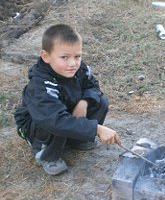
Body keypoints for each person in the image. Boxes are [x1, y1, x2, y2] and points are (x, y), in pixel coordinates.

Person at [14, 24, 121, 176]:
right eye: (64, 57)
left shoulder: (78, 68)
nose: (72, 63)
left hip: (63, 112)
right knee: (56, 123)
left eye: (77, 56)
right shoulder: (40, 85)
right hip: (40, 123)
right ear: (46, 56)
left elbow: (93, 86)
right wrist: (95, 128)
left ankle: (76, 139)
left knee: (100, 101)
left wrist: (85, 102)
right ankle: (46, 153)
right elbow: (55, 120)